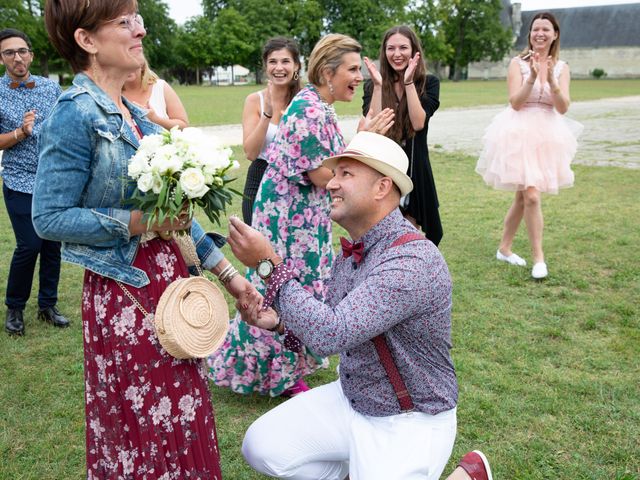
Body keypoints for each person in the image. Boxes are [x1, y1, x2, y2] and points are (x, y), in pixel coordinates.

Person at [34, 0, 255, 476]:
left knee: (183, 413)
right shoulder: (73, 115)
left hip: (170, 284)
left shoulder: (133, 114)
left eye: (138, 20)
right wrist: (138, 223)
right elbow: (48, 217)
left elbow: (175, 214)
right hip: (124, 293)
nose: (140, 31)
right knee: (145, 425)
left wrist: (232, 279)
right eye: (124, 22)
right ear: (87, 40)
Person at [227, 131, 492, 480]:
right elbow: (336, 325)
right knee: (261, 446)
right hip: (351, 398)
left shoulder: (413, 260)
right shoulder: (355, 249)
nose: (331, 184)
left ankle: (467, 475)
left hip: (408, 418)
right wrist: (278, 323)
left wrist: (267, 264)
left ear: (382, 187)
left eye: (345, 174)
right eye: (334, 175)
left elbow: (331, 333)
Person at [209, 34, 392, 398]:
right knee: (281, 286)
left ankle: (291, 367)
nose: (358, 77)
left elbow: (329, 166)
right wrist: (357, 147)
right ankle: (277, 374)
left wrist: (358, 140)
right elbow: (322, 175)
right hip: (288, 220)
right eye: (352, 70)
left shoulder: (319, 105)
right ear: (327, 72)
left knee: (299, 286)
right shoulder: (309, 108)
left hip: (305, 215)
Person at [475, 12, 582, 279]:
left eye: (546, 29)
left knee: (523, 198)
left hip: (548, 135)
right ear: (530, 34)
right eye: (536, 29)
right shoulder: (517, 63)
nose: (540, 34)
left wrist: (554, 83)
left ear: (555, 34)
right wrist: (533, 77)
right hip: (518, 133)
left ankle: (504, 248)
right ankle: (539, 259)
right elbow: (515, 102)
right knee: (531, 195)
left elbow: (563, 107)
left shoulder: (562, 66)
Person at [0, 28, 67, 336]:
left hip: (52, 180)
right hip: (18, 180)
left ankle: (47, 306)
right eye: (10, 52)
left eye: (22, 51)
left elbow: (65, 125)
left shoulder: (50, 88)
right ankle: (15, 307)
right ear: (1, 58)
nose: (18, 57)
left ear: (31, 54)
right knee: (30, 244)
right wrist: (20, 133)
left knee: (53, 245)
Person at [362, 25, 443, 246]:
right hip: (385, 166)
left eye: (403, 47)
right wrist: (378, 86)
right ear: (384, 52)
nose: (397, 54)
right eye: (391, 48)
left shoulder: (429, 82)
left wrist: (408, 82)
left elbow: (418, 123)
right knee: (383, 233)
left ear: (414, 50)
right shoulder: (373, 85)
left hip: (416, 166)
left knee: (408, 234)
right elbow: (375, 126)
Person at [240, 37, 302, 225]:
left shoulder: (306, 100)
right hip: (259, 178)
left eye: (285, 61)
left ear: (296, 66)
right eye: (273, 62)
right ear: (266, 66)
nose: (279, 68)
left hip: (295, 183)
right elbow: (250, 153)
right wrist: (267, 114)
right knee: (259, 251)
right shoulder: (254, 100)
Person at [122, 56, 188, 130]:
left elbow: (183, 125)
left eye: (131, 61)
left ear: (142, 65)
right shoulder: (111, 95)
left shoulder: (160, 87)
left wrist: (155, 119)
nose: (126, 67)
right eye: (121, 63)